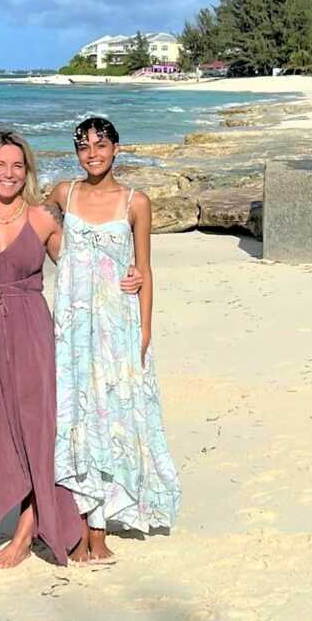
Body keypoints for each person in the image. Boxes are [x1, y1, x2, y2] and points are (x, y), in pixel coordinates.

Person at [0, 131, 141, 570]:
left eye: (18, 166)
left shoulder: (42, 219)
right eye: (1, 164)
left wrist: (130, 276)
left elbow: (82, 271)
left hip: (34, 333)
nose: (9, 173)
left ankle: (24, 531)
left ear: (28, 172)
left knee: (38, 430)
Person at [48, 117, 181, 561]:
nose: (92, 154)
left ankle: (100, 525)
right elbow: (34, 228)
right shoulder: (63, 193)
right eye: (83, 147)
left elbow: (145, 268)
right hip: (71, 325)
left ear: (117, 149)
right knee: (76, 415)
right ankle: (78, 518)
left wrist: (144, 329)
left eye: (100, 146)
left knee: (112, 415)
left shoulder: (135, 202)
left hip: (116, 324)